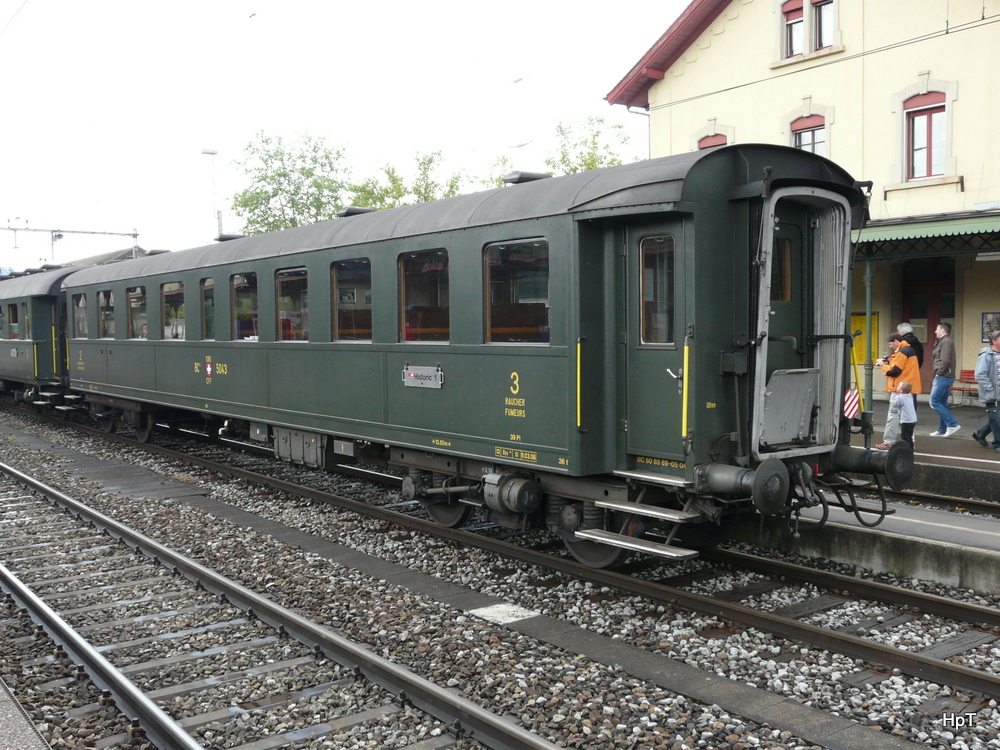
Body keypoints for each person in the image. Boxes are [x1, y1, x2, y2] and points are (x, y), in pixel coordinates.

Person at [929, 322, 960, 437]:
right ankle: (942, 429)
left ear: (942, 330)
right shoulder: (944, 342)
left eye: (937, 329)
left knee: (934, 402)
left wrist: (939, 373)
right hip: (945, 376)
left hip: (943, 376)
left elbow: (945, 360)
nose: (935, 331)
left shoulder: (946, 342)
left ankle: (952, 424)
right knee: (942, 403)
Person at [972, 330, 1000, 454]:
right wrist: (990, 389)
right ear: (994, 341)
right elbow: (980, 375)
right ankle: (997, 444)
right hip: (992, 394)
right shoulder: (986, 356)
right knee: (996, 419)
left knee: (996, 417)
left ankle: (980, 434)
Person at [877, 380, 916, 450]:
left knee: (905, 436)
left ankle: (906, 449)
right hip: (913, 419)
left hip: (905, 420)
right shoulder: (909, 396)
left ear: (901, 390)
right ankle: (911, 447)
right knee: (909, 435)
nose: (896, 387)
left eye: (898, 386)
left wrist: (897, 397)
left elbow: (894, 404)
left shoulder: (900, 398)